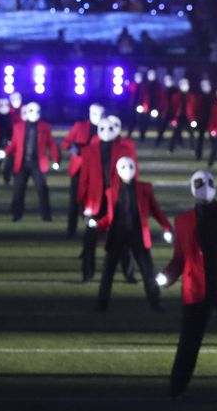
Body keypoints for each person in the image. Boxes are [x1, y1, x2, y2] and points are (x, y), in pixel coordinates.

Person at [158, 171, 217, 399]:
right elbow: (180, 258)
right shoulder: (183, 222)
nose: (205, 187)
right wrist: (165, 278)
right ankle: (177, 387)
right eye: (200, 183)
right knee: (189, 342)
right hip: (197, 289)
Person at [93, 157, 170, 312]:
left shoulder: (144, 188)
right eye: (123, 167)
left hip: (138, 236)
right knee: (108, 273)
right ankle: (102, 305)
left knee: (148, 272)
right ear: (118, 170)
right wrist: (97, 224)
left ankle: (155, 302)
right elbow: (110, 216)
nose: (127, 169)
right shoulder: (111, 191)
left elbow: (155, 210)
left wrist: (167, 227)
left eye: (130, 166)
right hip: (117, 236)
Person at [78, 116, 137, 282]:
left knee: (123, 239)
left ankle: (129, 273)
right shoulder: (89, 151)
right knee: (90, 241)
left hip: (116, 201)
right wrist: (83, 203)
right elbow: (84, 179)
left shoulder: (123, 150)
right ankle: (87, 274)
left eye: (109, 129)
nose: (105, 132)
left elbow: (131, 176)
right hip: (94, 203)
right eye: (102, 129)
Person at [0, 102, 59, 223]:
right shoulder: (18, 126)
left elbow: (51, 144)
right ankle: (17, 214)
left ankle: (46, 215)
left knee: (42, 189)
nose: (35, 114)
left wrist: (55, 159)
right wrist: (5, 152)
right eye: (32, 111)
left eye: (37, 111)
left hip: (37, 163)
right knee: (18, 190)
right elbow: (15, 143)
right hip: (22, 163)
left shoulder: (44, 126)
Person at [61, 103, 105, 238]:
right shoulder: (80, 126)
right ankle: (71, 230)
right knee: (74, 201)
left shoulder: (106, 128)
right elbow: (65, 143)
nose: (98, 117)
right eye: (95, 114)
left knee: (94, 202)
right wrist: (76, 150)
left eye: (101, 114)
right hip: (79, 170)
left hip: (95, 172)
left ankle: (97, 229)